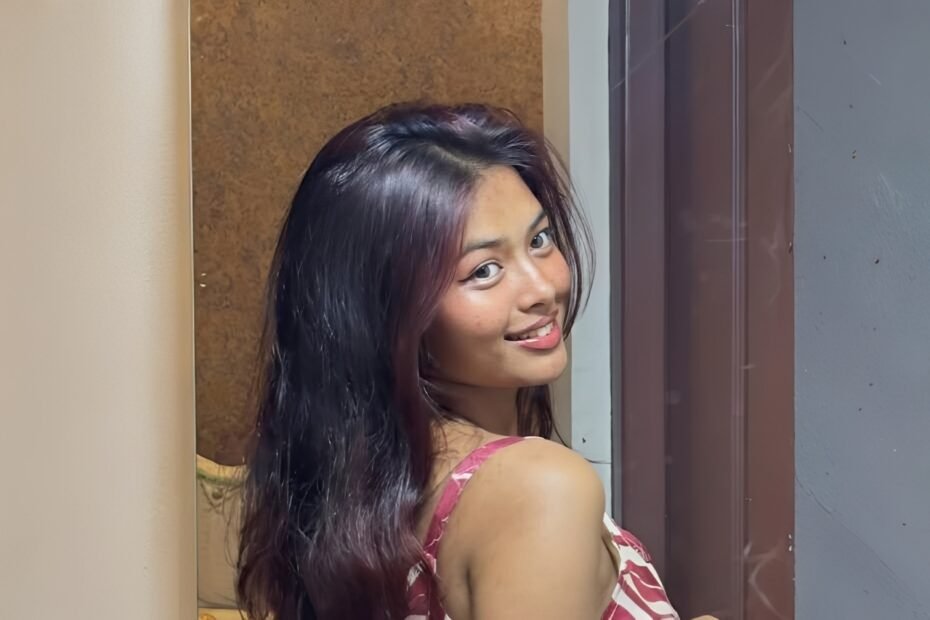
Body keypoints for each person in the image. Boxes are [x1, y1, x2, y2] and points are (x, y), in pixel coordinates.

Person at [235, 102, 680, 619]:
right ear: (389, 314)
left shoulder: (370, 502)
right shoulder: (538, 489)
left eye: (539, 240)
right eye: (483, 271)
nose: (541, 289)